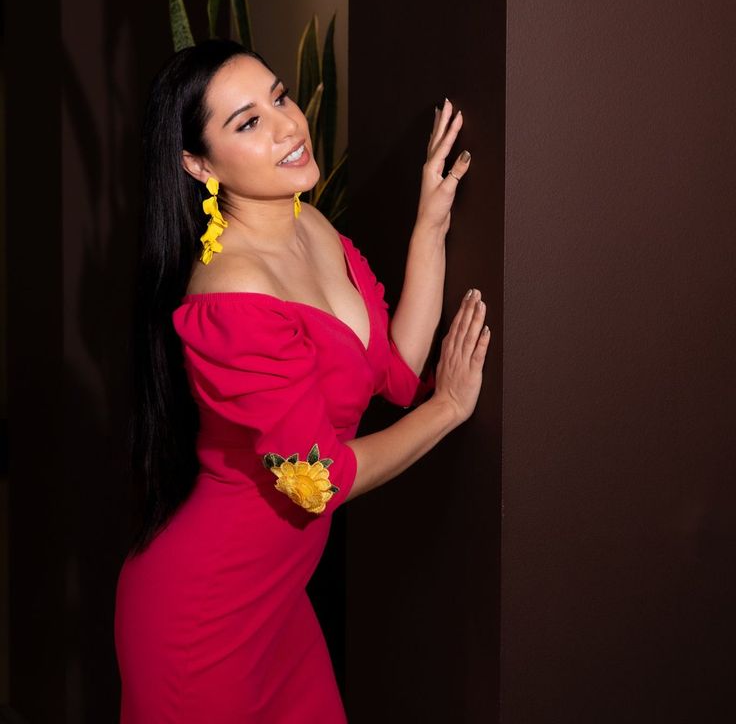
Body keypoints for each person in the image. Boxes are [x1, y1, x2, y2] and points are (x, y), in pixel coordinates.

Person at [114, 38, 490, 723]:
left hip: (278, 606)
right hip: (201, 621)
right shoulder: (229, 295)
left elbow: (397, 373)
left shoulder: (307, 223)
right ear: (197, 164)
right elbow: (317, 481)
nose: (288, 125)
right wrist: (451, 409)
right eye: (247, 122)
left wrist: (430, 226)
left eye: (280, 97)